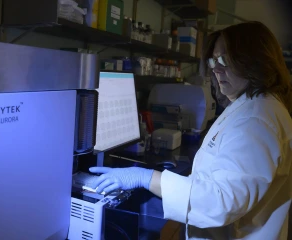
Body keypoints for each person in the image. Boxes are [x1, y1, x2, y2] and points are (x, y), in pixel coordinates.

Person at [89, 21, 292, 239]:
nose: (216, 68)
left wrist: (145, 177)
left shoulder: (257, 119)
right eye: (214, 60)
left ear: (254, 59)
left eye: (224, 59)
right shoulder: (252, 106)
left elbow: (220, 203)